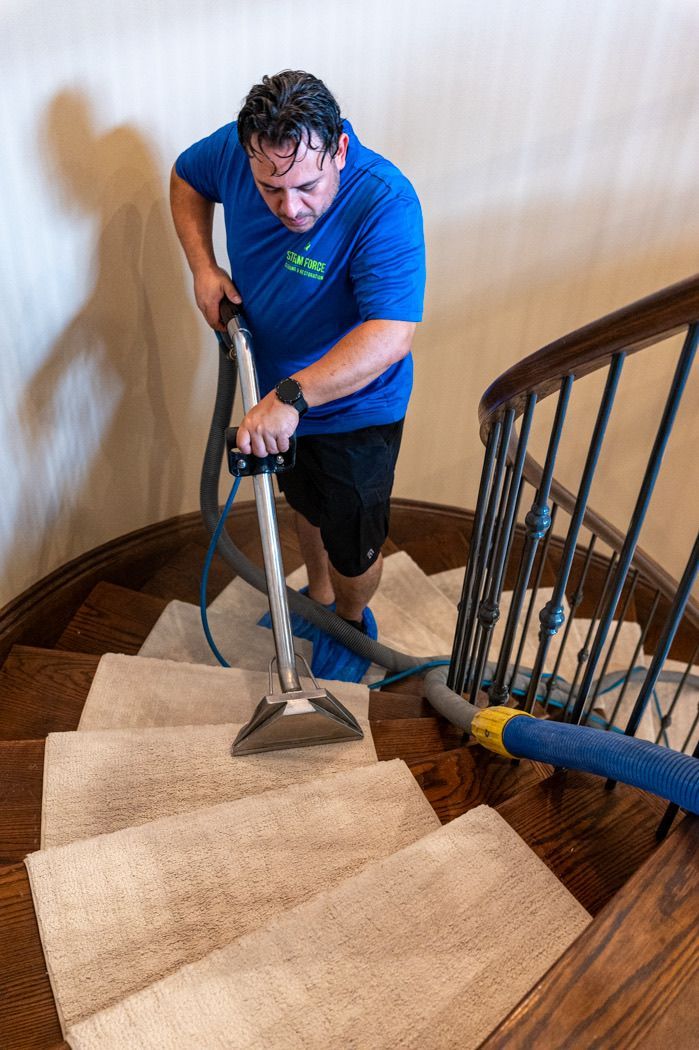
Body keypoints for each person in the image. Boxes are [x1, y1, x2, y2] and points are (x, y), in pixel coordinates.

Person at [171, 70, 425, 676]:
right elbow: (186, 176)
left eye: (309, 186)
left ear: (338, 148)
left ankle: (352, 622)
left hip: (354, 408)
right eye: (270, 189)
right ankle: (319, 598)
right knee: (303, 504)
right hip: (274, 393)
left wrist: (294, 396)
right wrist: (203, 268)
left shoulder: (385, 201)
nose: (291, 207)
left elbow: (390, 334)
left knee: (351, 538)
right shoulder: (239, 151)